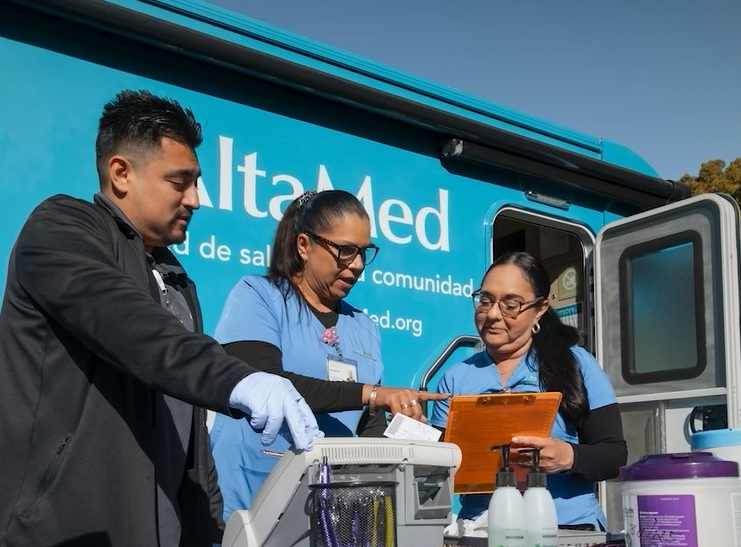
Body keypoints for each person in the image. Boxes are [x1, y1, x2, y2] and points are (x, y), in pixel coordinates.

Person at [0, 90, 320, 547]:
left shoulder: (177, 278)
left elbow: (187, 434)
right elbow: (129, 325)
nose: (196, 199)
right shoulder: (61, 228)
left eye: (197, 182)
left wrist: (209, 537)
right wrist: (238, 379)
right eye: (180, 181)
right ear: (121, 173)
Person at [209, 189, 446, 519]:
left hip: (333, 516)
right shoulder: (258, 296)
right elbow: (260, 383)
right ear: (304, 246)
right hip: (254, 500)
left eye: (364, 252)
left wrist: (403, 429)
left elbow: (368, 426)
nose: (358, 265)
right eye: (345, 251)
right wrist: (373, 393)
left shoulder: (364, 326)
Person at [430, 252, 627, 528]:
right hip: (482, 535)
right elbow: (436, 472)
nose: (493, 314)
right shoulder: (455, 378)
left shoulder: (576, 363)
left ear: (541, 309)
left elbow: (614, 455)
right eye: (485, 300)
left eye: (511, 305)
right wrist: (420, 440)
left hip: (567, 530)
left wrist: (568, 457)